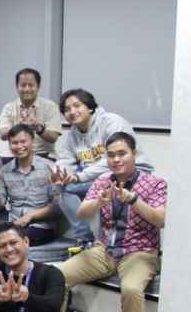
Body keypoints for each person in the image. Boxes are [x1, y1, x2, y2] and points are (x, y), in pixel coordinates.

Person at [59, 132, 166, 312]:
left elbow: (160, 219)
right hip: (105, 250)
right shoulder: (103, 181)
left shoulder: (155, 183)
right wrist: (99, 201)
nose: (116, 160)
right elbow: (82, 213)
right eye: (111, 155)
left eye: (122, 154)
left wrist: (134, 200)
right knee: (57, 276)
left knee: (131, 290)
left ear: (134, 154)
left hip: (140, 252)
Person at [51, 89, 152, 242]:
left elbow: (115, 159)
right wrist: (58, 173)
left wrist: (79, 177)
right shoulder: (73, 134)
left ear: (90, 107)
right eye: (67, 109)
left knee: (99, 185)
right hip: (97, 176)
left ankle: (97, 241)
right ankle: (84, 239)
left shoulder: (111, 122)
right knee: (60, 188)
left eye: (77, 106)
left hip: (130, 171)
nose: (72, 112)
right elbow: (65, 158)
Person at [0, 124, 59, 246]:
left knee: (14, 240)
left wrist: (31, 216)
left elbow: (57, 207)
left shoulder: (49, 168)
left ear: (32, 141)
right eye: (14, 143)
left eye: (23, 142)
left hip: (40, 226)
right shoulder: (4, 171)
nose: (19, 146)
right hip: (12, 223)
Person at [0, 68, 62, 158]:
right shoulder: (8, 108)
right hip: (16, 155)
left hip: (42, 154)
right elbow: (2, 135)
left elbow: (53, 137)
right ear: (17, 87)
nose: (27, 89)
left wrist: (39, 128)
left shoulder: (51, 106)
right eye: (23, 85)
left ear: (38, 86)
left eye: (31, 85)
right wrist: (17, 127)